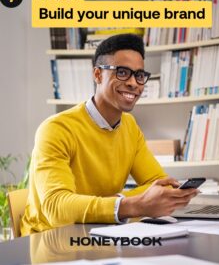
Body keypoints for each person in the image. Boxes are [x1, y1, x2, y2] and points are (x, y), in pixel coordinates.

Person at [21, 33, 197, 236]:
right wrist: (129, 205)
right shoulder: (56, 129)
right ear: (97, 74)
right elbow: (56, 208)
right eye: (122, 72)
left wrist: (118, 201)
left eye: (139, 75)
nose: (134, 83)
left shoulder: (129, 126)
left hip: (100, 232)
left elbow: (159, 183)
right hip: (49, 240)